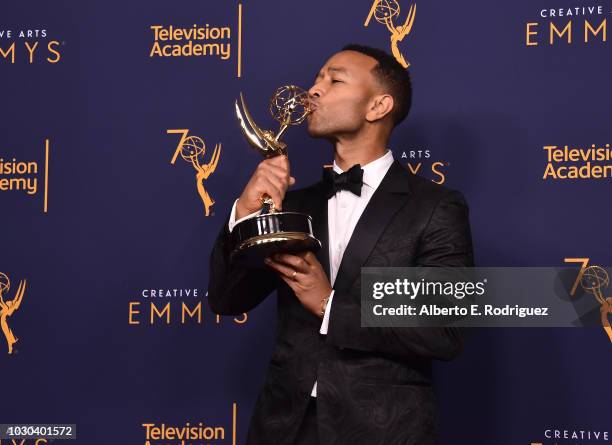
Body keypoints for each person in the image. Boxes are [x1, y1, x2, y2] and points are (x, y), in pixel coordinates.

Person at [208, 44, 474, 445]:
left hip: (383, 431)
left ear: (378, 106)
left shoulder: (435, 207)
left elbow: (445, 328)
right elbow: (227, 299)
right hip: (283, 429)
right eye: (316, 79)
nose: (313, 90)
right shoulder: (291, 205)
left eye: (334, 79)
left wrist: (330, 305)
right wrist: (244, 215)